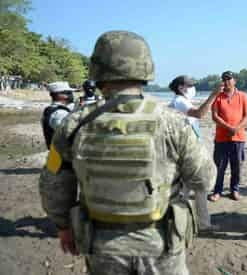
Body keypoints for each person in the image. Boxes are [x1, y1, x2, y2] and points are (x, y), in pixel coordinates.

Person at [38, 30, 216, 275]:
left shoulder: (73, 125)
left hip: (102, 248)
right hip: (161, 246)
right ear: (145, 69)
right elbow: (205, 179)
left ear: (98, 71)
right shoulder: (173, 123)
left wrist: (63, 226)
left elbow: (52, 185)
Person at [168, 75, 220, 231]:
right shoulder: (180, 101)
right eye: (190, 85)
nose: (193, 88)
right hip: (186, 152)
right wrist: (213, 95)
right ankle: (202, 223)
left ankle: (181, 222)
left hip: (185, 150)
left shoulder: (181, 101)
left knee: (186, 188)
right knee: (199, 185)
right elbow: (198, 114)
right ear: (181, 88)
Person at [209, 71, 247, 202]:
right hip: (221, 138)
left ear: (234, 81)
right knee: (219, 166)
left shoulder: (243, 96)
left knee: (237, 166)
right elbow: (215, 116)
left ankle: (234, 190)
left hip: (238, 138)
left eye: (229, 79)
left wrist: (236, 128)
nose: (226, 82)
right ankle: (217, 191)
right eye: (224, 79)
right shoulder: (218, 97)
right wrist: (228, 127)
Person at [41, 81, 76, 149]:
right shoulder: (60, 113)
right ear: (59, 95)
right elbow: (69, 134)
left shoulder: (49, 109)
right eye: (68, 93)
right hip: (62, 154)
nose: (71, 95)